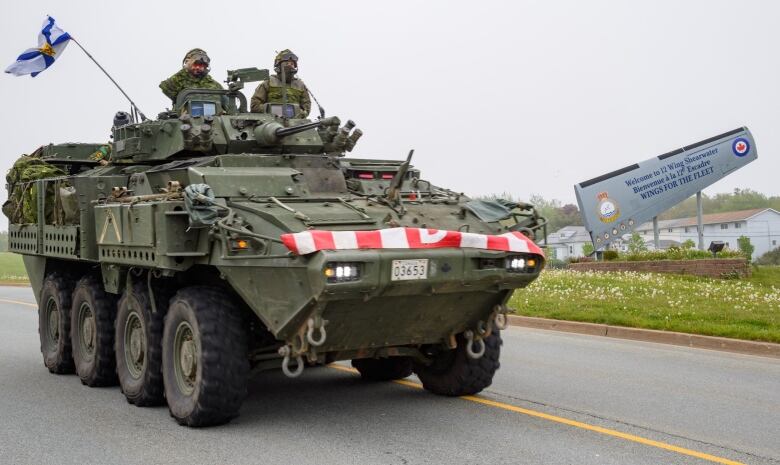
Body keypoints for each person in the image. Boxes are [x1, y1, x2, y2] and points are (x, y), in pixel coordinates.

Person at [250, 49, 311, 118]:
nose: (290, 66)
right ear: (279, 65)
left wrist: (296, 112)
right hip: (271, 123)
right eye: (287, 63)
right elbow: (255, 105)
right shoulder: (268, 83)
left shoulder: (300, 85)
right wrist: (273, 111)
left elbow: (306, 109)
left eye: (292, 64)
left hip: (295, 124)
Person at [159, 49, 223, 104]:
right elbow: (166, 87)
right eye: (195, 64)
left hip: (212, 117)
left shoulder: (215, 86)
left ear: (205, 67)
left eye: (201, 65)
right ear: (187, 62)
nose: (198, 67)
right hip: (185, 117)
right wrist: (185, 71)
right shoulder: (178, 80)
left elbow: (228, 107)